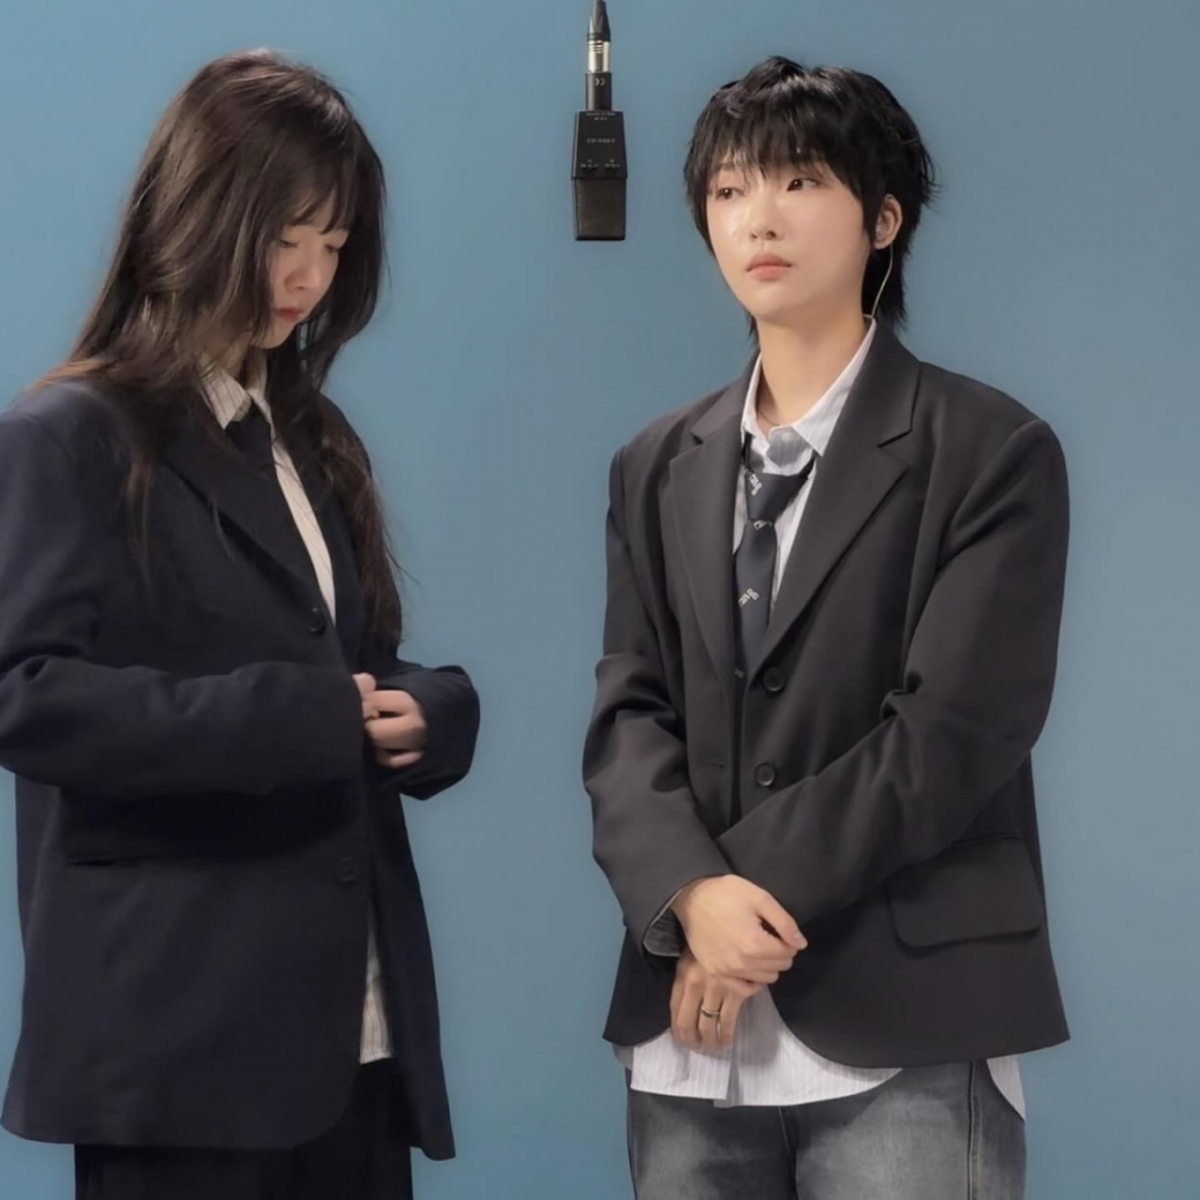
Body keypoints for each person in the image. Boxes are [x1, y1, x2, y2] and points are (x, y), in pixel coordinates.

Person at [584, 56, 1070, 1199]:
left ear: (883, 219)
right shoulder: (653, 464)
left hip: (906, 1011)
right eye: (729, 189)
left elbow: (952, 732)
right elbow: (626, 716)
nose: (758, 217)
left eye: (800, 181)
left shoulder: (990, 449)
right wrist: (687, 896)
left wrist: (728, 896)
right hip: (688, 1043)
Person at [0, 49, 479, 1199]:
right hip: (180, 1040)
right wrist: (297, 719)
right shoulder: (71, 434)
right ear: (197, 212)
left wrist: (435, 712)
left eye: (335, 243)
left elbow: (346, 665)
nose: (308, 275)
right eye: (283, 236)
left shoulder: (307, 435)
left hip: (352, 1031)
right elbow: (25, 695)